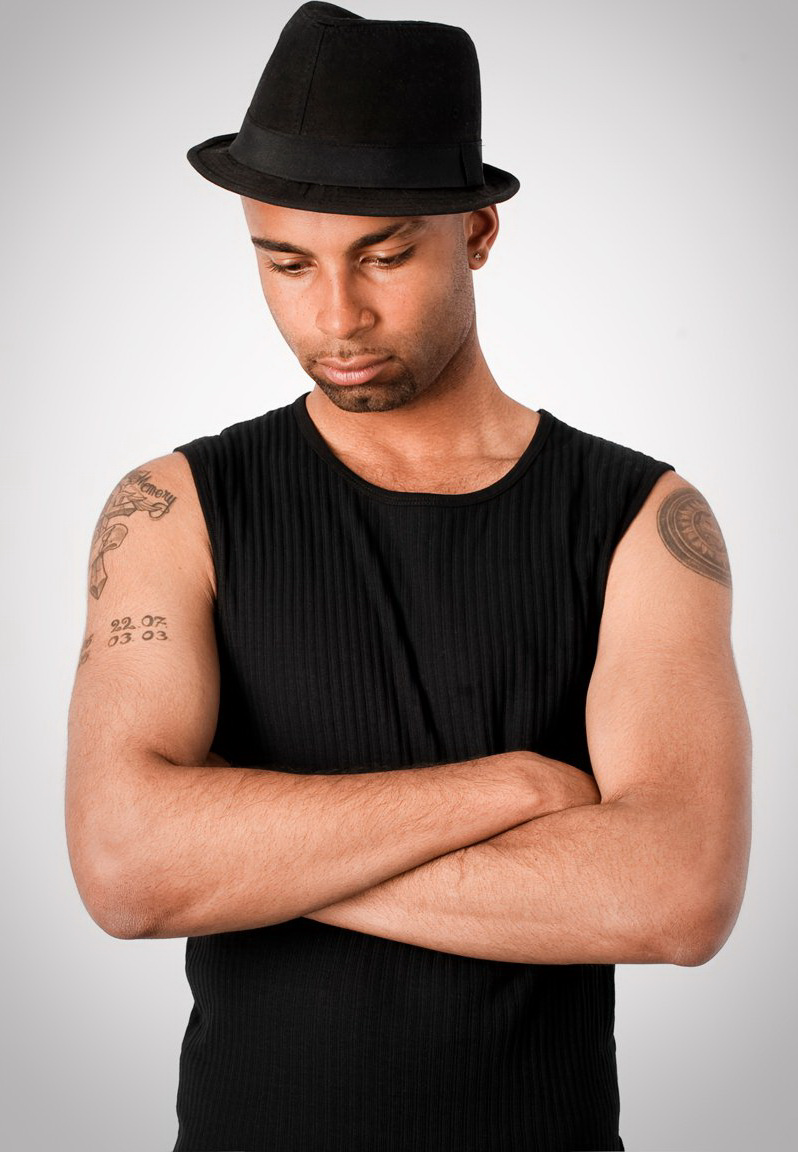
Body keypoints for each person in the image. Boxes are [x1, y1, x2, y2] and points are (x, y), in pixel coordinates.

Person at [65, 4, 751, 1150]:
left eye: (384, 256)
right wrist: (513, 789)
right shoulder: (173, 509)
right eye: (286, 263)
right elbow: (126, 866)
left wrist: (245, 859)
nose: (335, 317)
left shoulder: (643, 518)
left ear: (476, 233)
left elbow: (677, 894)